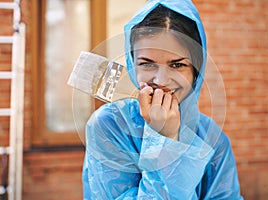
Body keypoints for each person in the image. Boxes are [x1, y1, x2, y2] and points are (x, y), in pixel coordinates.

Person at [82, 0, 243, 199]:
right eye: (147, 64)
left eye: (177, 65)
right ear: (133, 66)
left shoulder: (214, 140)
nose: (161, 80)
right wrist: (163, 139)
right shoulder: (108, 126)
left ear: (196, 70)